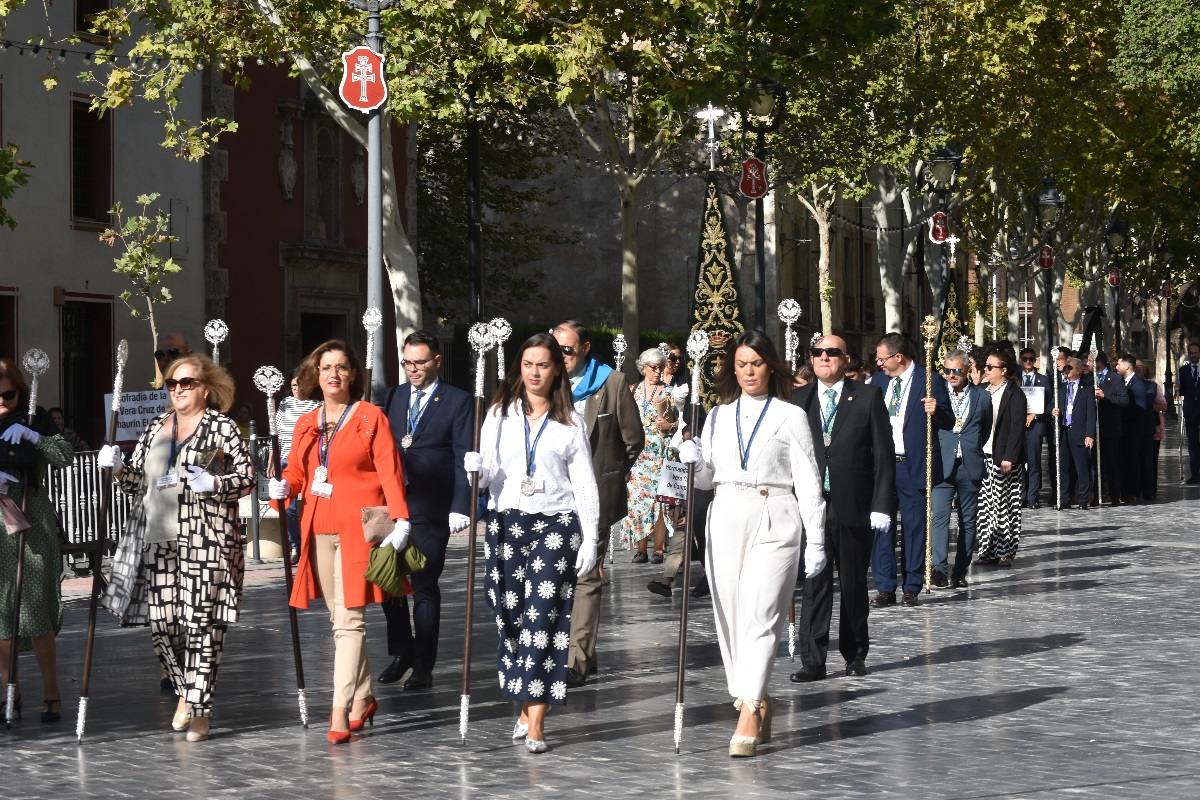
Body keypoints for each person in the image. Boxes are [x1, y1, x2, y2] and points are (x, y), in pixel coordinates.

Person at [678, 330, 825, 758]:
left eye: (756, 364)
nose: (748, 372)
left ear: (770, 366)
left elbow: (809, 481)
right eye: (741, 364)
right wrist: (692, 458)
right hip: (725, 513)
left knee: (762, 612)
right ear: (731, 368)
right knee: (731, 615)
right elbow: (706, 478)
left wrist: (816, 540)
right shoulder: (718, 416)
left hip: (775, 513)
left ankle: (746, 709)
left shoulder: (789, 415)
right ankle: (756, 698)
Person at [99, 354, 253, 742]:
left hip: (207, 539)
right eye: (172, 384)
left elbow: (248, 477)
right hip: (158, 538)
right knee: (163, 624)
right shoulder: (155, 428)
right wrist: (117, 467)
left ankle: (200, 710)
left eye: (187, 382)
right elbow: (138, 483)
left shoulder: (221, 428)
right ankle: (187, 692)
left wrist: (216, 485)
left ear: (206, 387)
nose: (179, 389)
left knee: (200, 625)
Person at [267, 340, 409, 744]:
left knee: (350, 621)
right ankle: (364, 696)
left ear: (353, 374)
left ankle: (338, 709)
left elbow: (389, 469)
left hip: (359, 528)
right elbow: (297, 472)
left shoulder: (370, 417)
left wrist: (401, 520)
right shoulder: (307, 423)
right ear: (316, 375)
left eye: (342, 367)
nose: (333, 374)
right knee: (339, 620)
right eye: (326, 367)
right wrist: (283, 485)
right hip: (318, 527)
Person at [464, 332, 600, 754]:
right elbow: (485, 477)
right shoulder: (499, 415)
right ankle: (524, 699)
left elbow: (585, 485)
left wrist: (591, 539)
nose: (535, 372)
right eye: (528, 364)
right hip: (507, 524)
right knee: (510, 615)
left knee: (542, 620)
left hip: (556, 525)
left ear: (557, 368)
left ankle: (537, 718)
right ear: (518, 369)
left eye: (543, 364)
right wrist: (474, 471)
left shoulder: (569, 422)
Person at [789, 335, 893, 684]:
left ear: (845, 360)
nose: (823, 357)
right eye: (817, 352)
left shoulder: (867, 396)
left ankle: (855, 652)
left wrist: (880, 504)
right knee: (814, 582)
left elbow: (882, 455)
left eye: (832, 353)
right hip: (811, 506)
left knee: (851, 584)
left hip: (853, 504)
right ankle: (813, 660)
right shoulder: (797, 400)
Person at [378, 331, 472, 690]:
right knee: (389, 582)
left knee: (423, 584)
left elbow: (464, 455)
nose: (413, 369)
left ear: (436, 361)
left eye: (419, 362)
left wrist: (460, 505)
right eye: (407, 363)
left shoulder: (457, 401)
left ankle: (423, 664)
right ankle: (401, 652)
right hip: (394, 505)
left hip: (432, 507)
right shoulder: (394, 396)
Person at [551, 321, 641, 688]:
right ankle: (584, 648)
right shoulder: (547, 385)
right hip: (553, 497)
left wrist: (609, 474)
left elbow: (633, 439)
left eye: (567, 351)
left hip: (595, 497)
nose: (561, 359)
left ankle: (577, 660)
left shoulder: (611, 383)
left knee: (586, 574)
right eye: (556, 351)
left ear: (585, 348)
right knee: (558, 577)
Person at [0, 359, 74, 724]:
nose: (1, 400)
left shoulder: (35, 416)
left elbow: (65, 457)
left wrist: (36, 437)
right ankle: (9, 690)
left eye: (7, 394)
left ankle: (51, 691)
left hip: (30, 515)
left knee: (34, 607)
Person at [869, 332, 949, 607]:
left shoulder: (929, 380)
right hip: (882, 465)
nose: (878, 363)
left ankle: (912, 584)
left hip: (912, 464)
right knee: (882, 525)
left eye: (882, 358)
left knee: (914, 527)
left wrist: (936, 409)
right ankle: (885, 586)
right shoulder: (878, 382)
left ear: (898, 357)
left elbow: (950, 420)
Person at [924, 349, 989, 589]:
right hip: (943, 464)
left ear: (967, 370)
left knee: (968, 520)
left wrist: (972, 448)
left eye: (957, 371)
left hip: (969, 465)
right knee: (939, 517)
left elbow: (986, 429)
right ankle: (939, 568)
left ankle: (960, 569)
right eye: (947, 371)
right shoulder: (936, 396)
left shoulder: (982, 398)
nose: (951, 375)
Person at [619, 347, 679, 564]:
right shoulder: (632, 390)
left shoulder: (669, 392)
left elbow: (679, 424)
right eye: (653, 368)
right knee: (638, 502)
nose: (657, 372)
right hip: (638, 456)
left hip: (660, 453)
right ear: (643, 368)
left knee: (660, 502)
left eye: (661, 368)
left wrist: (669, 425)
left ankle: (659, 549)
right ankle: (641, 548)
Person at [974, 348, 1028, 567]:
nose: (985, 370)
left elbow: (1017, 428)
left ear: (1003, 370)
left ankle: (1006, 551)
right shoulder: (982, 391)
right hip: (982, 456)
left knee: (1004, 507)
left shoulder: (1015, 394)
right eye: (985, 366)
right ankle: (987, 551)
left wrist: (1010, 457)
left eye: (990, 367)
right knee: (985, 508)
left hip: (1003, 458)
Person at [275, 368, 320, 565]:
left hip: (310, 461)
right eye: (293, 385)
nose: (296, 388)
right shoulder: (284, 404)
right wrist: (272, 458)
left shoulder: (317, 405)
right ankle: (296, 544)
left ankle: (313, 545)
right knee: (288, 508)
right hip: (286, 460)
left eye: (299, 385)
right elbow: (274, 430)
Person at [1052, 357, 1095, 510]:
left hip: (1079, 432)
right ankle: (1064, 498)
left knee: (1081, 467)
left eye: (1069, 368)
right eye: (1065, 369)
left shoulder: (1086, 389)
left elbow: (1091, 414)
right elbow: (1051, 406)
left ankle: (1083, 499)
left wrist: (1090, 434)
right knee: (1063, 468)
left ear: (1078, 370)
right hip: (1063, 431)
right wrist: (1053, 411)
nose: (1067, 371)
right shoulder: (1061, 388)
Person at [1091, 350, 1128, 504]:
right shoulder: (1089, 378)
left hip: (1110, 428)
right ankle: (1096, 494)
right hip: (1093, 428)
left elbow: (1124, 400)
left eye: (1089, 360)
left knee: (1112, 463)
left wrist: (1105, 397)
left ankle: (1114, 495)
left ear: (1098, 362)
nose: (1087, 364)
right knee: (1094, 464)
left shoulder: (1115, 378)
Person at [1017, 348, 1051, 508]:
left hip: (1036, 425)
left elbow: (1048, 402)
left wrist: (1035, 415)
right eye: (1025, 359)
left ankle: (1032, 497)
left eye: (1031, 359)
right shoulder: (1015, 379)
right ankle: (1021, 496)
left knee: (1034, 462)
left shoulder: (1043, 380)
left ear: (1035, 360)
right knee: (1018, 462)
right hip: (1018, 426)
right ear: (1021, 360)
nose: (1028, 362)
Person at [1115, 353, 1151, 504]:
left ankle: (1132, 492)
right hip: (1124, 430)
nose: (1116, 367)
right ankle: (1125, 491)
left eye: (1119, 364)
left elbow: (1140, 411)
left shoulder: (1138, 384)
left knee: (1132, 462)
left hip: (1133, 431)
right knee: (1125, 461)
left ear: (1128, 366)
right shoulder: (1124, 382)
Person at [1136, 359, 1166, 501]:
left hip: (1152, 428)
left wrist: (1148, 406)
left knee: (1151, 460)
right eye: (1135, 366)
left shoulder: (1152, 386)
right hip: (1136, 428)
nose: (1137, 369)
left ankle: (1151, 489)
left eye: (1140, 367)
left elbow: (1163, 406)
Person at [1178, 342, 1200, 484]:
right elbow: (1181, 391)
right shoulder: (1183, 370)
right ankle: (1195, 474)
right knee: (1192, 443)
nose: (1193, 355)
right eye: (1191, 353)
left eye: (1196, 353)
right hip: (1190, 410)